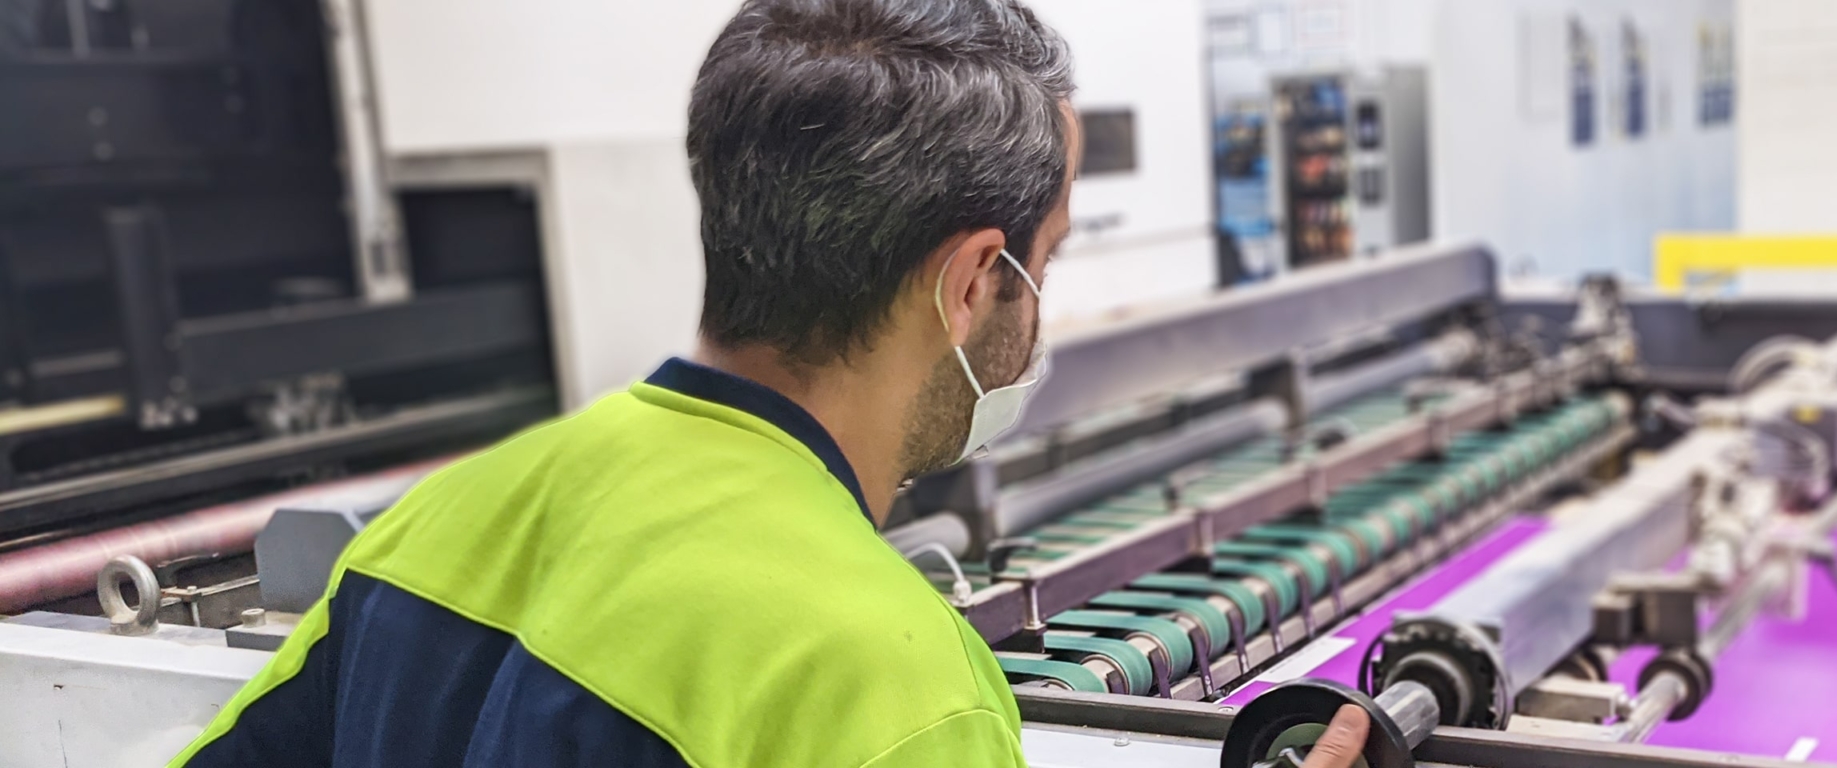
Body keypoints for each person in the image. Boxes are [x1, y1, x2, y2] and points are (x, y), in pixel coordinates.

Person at [169, 0, 1370, 766]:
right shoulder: (884, 683)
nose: (1037, 310)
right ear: (970, 283)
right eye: (1042, 263)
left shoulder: (440, 522)